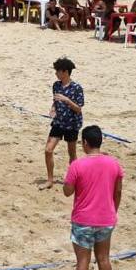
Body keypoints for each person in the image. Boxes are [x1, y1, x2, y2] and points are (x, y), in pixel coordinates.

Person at [62, 125, 124, 270]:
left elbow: (67, 192)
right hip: (106, 218)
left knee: (83, 262)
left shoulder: (77, 165)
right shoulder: (114, 163)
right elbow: (118, 190)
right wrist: (113, 210)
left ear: (85, 143)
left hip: (83, 220)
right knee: (104, 259)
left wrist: (70, 177)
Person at [42, 57, 85, 190]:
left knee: (71, 153)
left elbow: (78, 108)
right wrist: (53, 109)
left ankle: (75, 179)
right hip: (58, 123)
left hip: (72, 124)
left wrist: (67, 100)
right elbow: (55, 101)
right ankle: (50, 180)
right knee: (48, 150)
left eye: (58, 71)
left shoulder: (76, 88)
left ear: (65, 72)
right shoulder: (56, 85)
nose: (56, 73)